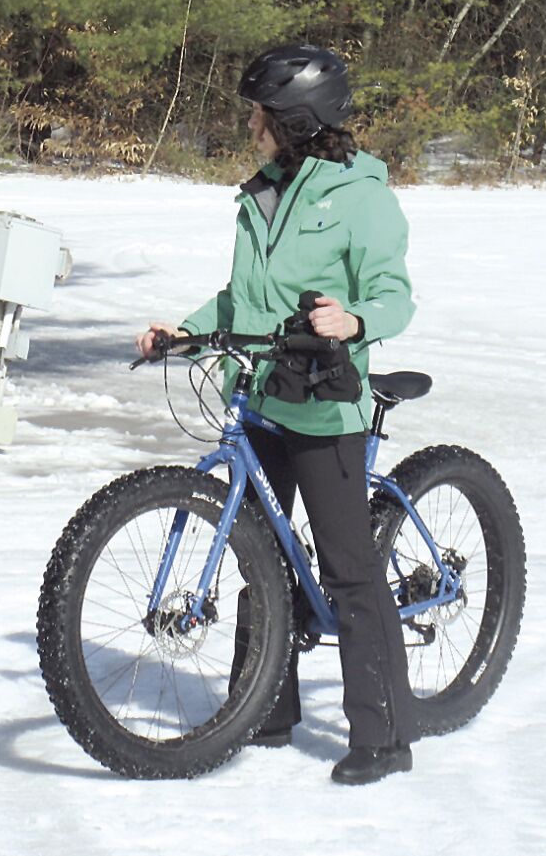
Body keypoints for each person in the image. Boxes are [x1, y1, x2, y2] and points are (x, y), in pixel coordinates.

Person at [137, 43, 418, 786]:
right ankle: (266, 707)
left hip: (324, 406)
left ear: (295, 120)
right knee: (259, 555)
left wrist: (354, 320)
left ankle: (386, 735)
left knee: (350, 571)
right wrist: (185, 331)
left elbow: (394, 295)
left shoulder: (360, 196)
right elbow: (243, 300)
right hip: (262, 396)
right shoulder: (260, 194)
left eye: (259, 113)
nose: (250, 124)